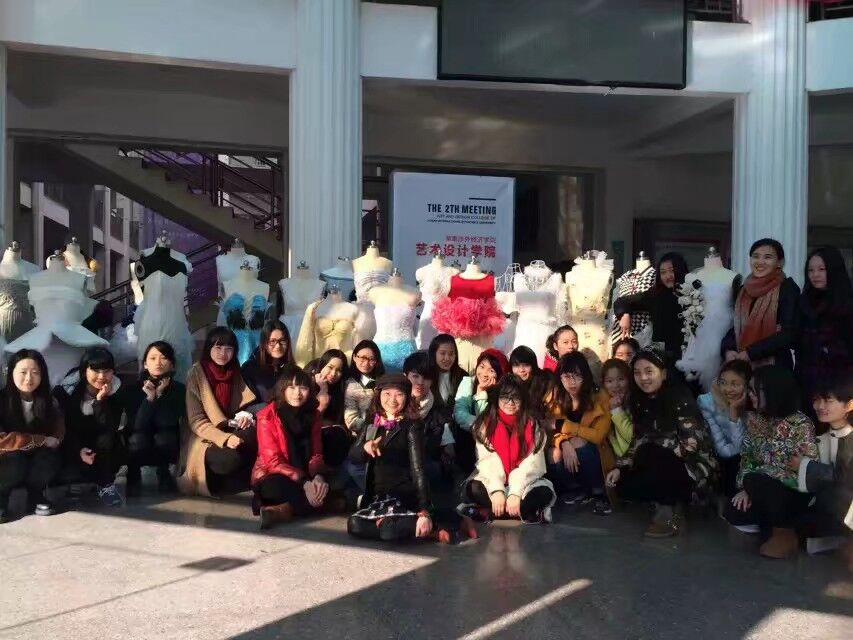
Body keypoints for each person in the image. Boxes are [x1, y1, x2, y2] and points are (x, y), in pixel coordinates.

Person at [605, 348, 716, 537]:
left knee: (651, 453)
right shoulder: (640, 401)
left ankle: (669, 511)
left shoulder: (680, 398)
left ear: (663, 373)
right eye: (637, 373)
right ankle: (669, 501)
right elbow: (637, 439)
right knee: (623, 483)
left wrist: (657, 445)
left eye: (649, 371)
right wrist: (620, 467)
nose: (643, 378)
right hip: (659, 461)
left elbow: (691, 445)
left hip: (692, 466)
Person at [724, 366, 818, 559]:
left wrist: (759, 477)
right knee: (734, 509)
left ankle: (784, 534)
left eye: (755, 391)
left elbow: (804, 471)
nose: (750, 395)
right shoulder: (755, 420)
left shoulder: (801, 424)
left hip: (792, 491)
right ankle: (775, 527)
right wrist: (746, 488)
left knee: (760, 483)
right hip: (761, 487)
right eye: (750, 390)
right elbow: (747, 458)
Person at [346, 374, 436, 542]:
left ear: (407, 397)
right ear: (378, 395)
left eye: (399, 394)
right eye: (387, 394)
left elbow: (418, 469)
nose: (392, 400)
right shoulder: (372, 422)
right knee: (354, 525)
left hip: (402, 496)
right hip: (378, 497)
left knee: (389, 531)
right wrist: (365, 448)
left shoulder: (412, 426)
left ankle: (430, 526)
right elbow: (353, 456)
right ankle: (397, 527)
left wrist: (424, 510)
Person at [458, 375, 556, 524]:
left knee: (543, 492)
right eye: (505, 397)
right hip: (492, 480)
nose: (510, 402)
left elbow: (533, 464)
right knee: (474, 488)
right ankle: (524, 512)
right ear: (497, 398)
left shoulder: (532, 425)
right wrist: (497, 490)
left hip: (524, 483)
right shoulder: (484, 424)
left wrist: (515, 492)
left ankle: (489, 512)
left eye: (516, 398)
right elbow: (488, 460)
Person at [179, 327, 257, 497]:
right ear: (209, 348)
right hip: (204, 437)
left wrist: (244, 417)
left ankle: (237, 480)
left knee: (256, 433)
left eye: (229, 349)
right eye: (218, 347)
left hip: (231, 428)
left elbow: (242, 406)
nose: (223, 353)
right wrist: (225, 438)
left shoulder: (234, 371)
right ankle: (219, 479)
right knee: (231, 459)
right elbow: (197, 422)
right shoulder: (196, 374)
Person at [251, 365, 331, 529]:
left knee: (322, 488)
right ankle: (325, 504)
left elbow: (317, 452)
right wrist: (305, 483)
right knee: (275, 487)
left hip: (305, 473)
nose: (297, 393)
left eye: (303, 388)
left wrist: (318, 477)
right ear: (283, 389)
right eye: (292, 387)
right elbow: (273, 462)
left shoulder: (313, 415)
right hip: (273, 474)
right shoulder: (267, 416)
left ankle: (280, 511)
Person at [55, 347, 126, 507]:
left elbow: (109, 427)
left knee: (107, 439)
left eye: (107, 371)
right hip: (72, 443)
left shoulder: (117, 391)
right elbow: (63, 428)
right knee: (70, 473)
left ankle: (106, 485)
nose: (101, 376)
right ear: (84, 370)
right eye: (95, 370)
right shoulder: (65, 391)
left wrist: (100, 401)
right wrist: (78, 450)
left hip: (103, 447)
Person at [546, 352, 614, 515]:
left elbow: (598, 435)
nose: (572, 382)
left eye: (577, 376)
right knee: (554, 453)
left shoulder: (599, 396)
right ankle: (576, 489)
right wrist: (564, 442)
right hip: (570, 453)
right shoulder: (555, 396)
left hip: (596, 455)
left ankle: (598, 491)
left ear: (586, 376)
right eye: (566, 377)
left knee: (578, 442)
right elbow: (548, 430)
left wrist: (566, 427)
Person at [0, 350, 64, 522]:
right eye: (23, 372)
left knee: (50, 456)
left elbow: (58, 432)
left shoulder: (49, 401)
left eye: (35, 372)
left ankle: (35, 495)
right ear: (11, 373)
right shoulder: (2, 400)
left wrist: (54, 439)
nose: (29, 378)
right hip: (8, 458)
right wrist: (38, 440)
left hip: (35, 457)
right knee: (13, 458)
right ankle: (2, 496)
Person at [794, 375, 852, 560]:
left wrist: (805, 465)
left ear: (849, 405)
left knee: (834, 495)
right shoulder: (820, 437)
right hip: (829, 508)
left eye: (828, 400)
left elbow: (844, 480)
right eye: (817, 400)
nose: (820, 406)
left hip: (845, 504)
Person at [722, 238, 800, 370]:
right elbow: (735, 327)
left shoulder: (787, 288)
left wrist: (750, 353)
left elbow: (789, 333)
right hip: (742, 367)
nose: (760, 262)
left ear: (779, 262)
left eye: (768, 257)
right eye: (755, 256)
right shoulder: (743, 290)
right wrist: (728, 350)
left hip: (774, 368)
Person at [796, 247, 853, 419]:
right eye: (811, 270)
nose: (815, 275)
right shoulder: (804, 302)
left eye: (822, 269)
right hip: (807, 381)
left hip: (840, 384)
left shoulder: (847, 304)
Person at [124, 341, 185, 497]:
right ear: (145, 364)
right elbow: (138, 425)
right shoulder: (132, 390)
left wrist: (160, 395)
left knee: (166, 437)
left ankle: (164, 473)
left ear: (172, 364)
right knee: (137, 439)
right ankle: (133, 475)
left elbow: (169, 422)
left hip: (166, 441)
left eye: (164, 358)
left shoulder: (179, 390)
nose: (158, 363)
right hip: (139, 441)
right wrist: (150, 399)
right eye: (152, 358)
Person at [615, 253, 689, 373]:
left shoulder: (692, 294)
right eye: (663, 272)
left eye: (671, 271)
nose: (668, 276)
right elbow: (622, 301)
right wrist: (624, 314)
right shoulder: (655, 296)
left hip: (688, 356)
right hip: (662, 358)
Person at [698, 360, 751, 498]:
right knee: (733, 464)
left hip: (749, 458)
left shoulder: (754, 403)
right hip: (724, 458)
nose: (727, 389)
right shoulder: (707, 403)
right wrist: (733, 415)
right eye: (723, 383)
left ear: (747, 386)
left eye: (735, 384)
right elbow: (723, 450)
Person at [403, 351, 455, 482]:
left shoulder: (437, 412)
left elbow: (442, 451)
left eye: (426, 378)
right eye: (415, 376)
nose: (420, 382)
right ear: (405, 376)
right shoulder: (392, 403)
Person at [454, 348, 509, 472]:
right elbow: (459, 412)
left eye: (491, 370)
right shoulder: (468, 382)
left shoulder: (502, 392)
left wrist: (481, 393)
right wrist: (478, 425)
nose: (484, 374)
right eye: (482, 367)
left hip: (491, 440)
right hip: (469, 437)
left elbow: (489, 424)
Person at [304, 349, 350, 468]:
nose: (333, 373)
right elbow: (310, 420)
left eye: (339, 370)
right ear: (322, 365)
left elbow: (336, 419)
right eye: (330, 367)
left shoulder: (340, 390)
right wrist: (323, 389)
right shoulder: (306, 384)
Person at [240, 321, 294, 408]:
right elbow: (245, 405)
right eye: (273, 341)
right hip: (257, 414)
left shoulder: (291, 369)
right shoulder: (249, 369)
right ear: (264, 343)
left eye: (282, 340)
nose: (278, 346)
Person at [343, 340, 385, 436]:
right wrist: (378, 427)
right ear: (354, 357)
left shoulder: (382, 381)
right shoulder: (350, 385)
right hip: (363, 437)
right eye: (362, 358)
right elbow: (352, 421)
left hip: (386, 433)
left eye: (371, 359)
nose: (366, 363)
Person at [600, 358, 634, 460]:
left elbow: (633, 437)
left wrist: (616, 411)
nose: (616, 385)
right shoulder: (601, 404)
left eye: (621, 379)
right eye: (610, 381)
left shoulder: (636, 403)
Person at [509, 345, 555, 419]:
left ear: (533, 366)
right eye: (516, 365)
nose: (521, 370)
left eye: (526, 365)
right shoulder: (509, 385)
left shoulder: (546, 383)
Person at [428, 333, 467, 407]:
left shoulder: (463, 376)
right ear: (434, 354)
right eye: (442, 353)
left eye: (451, 354)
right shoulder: (427, 375)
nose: (447, 358)